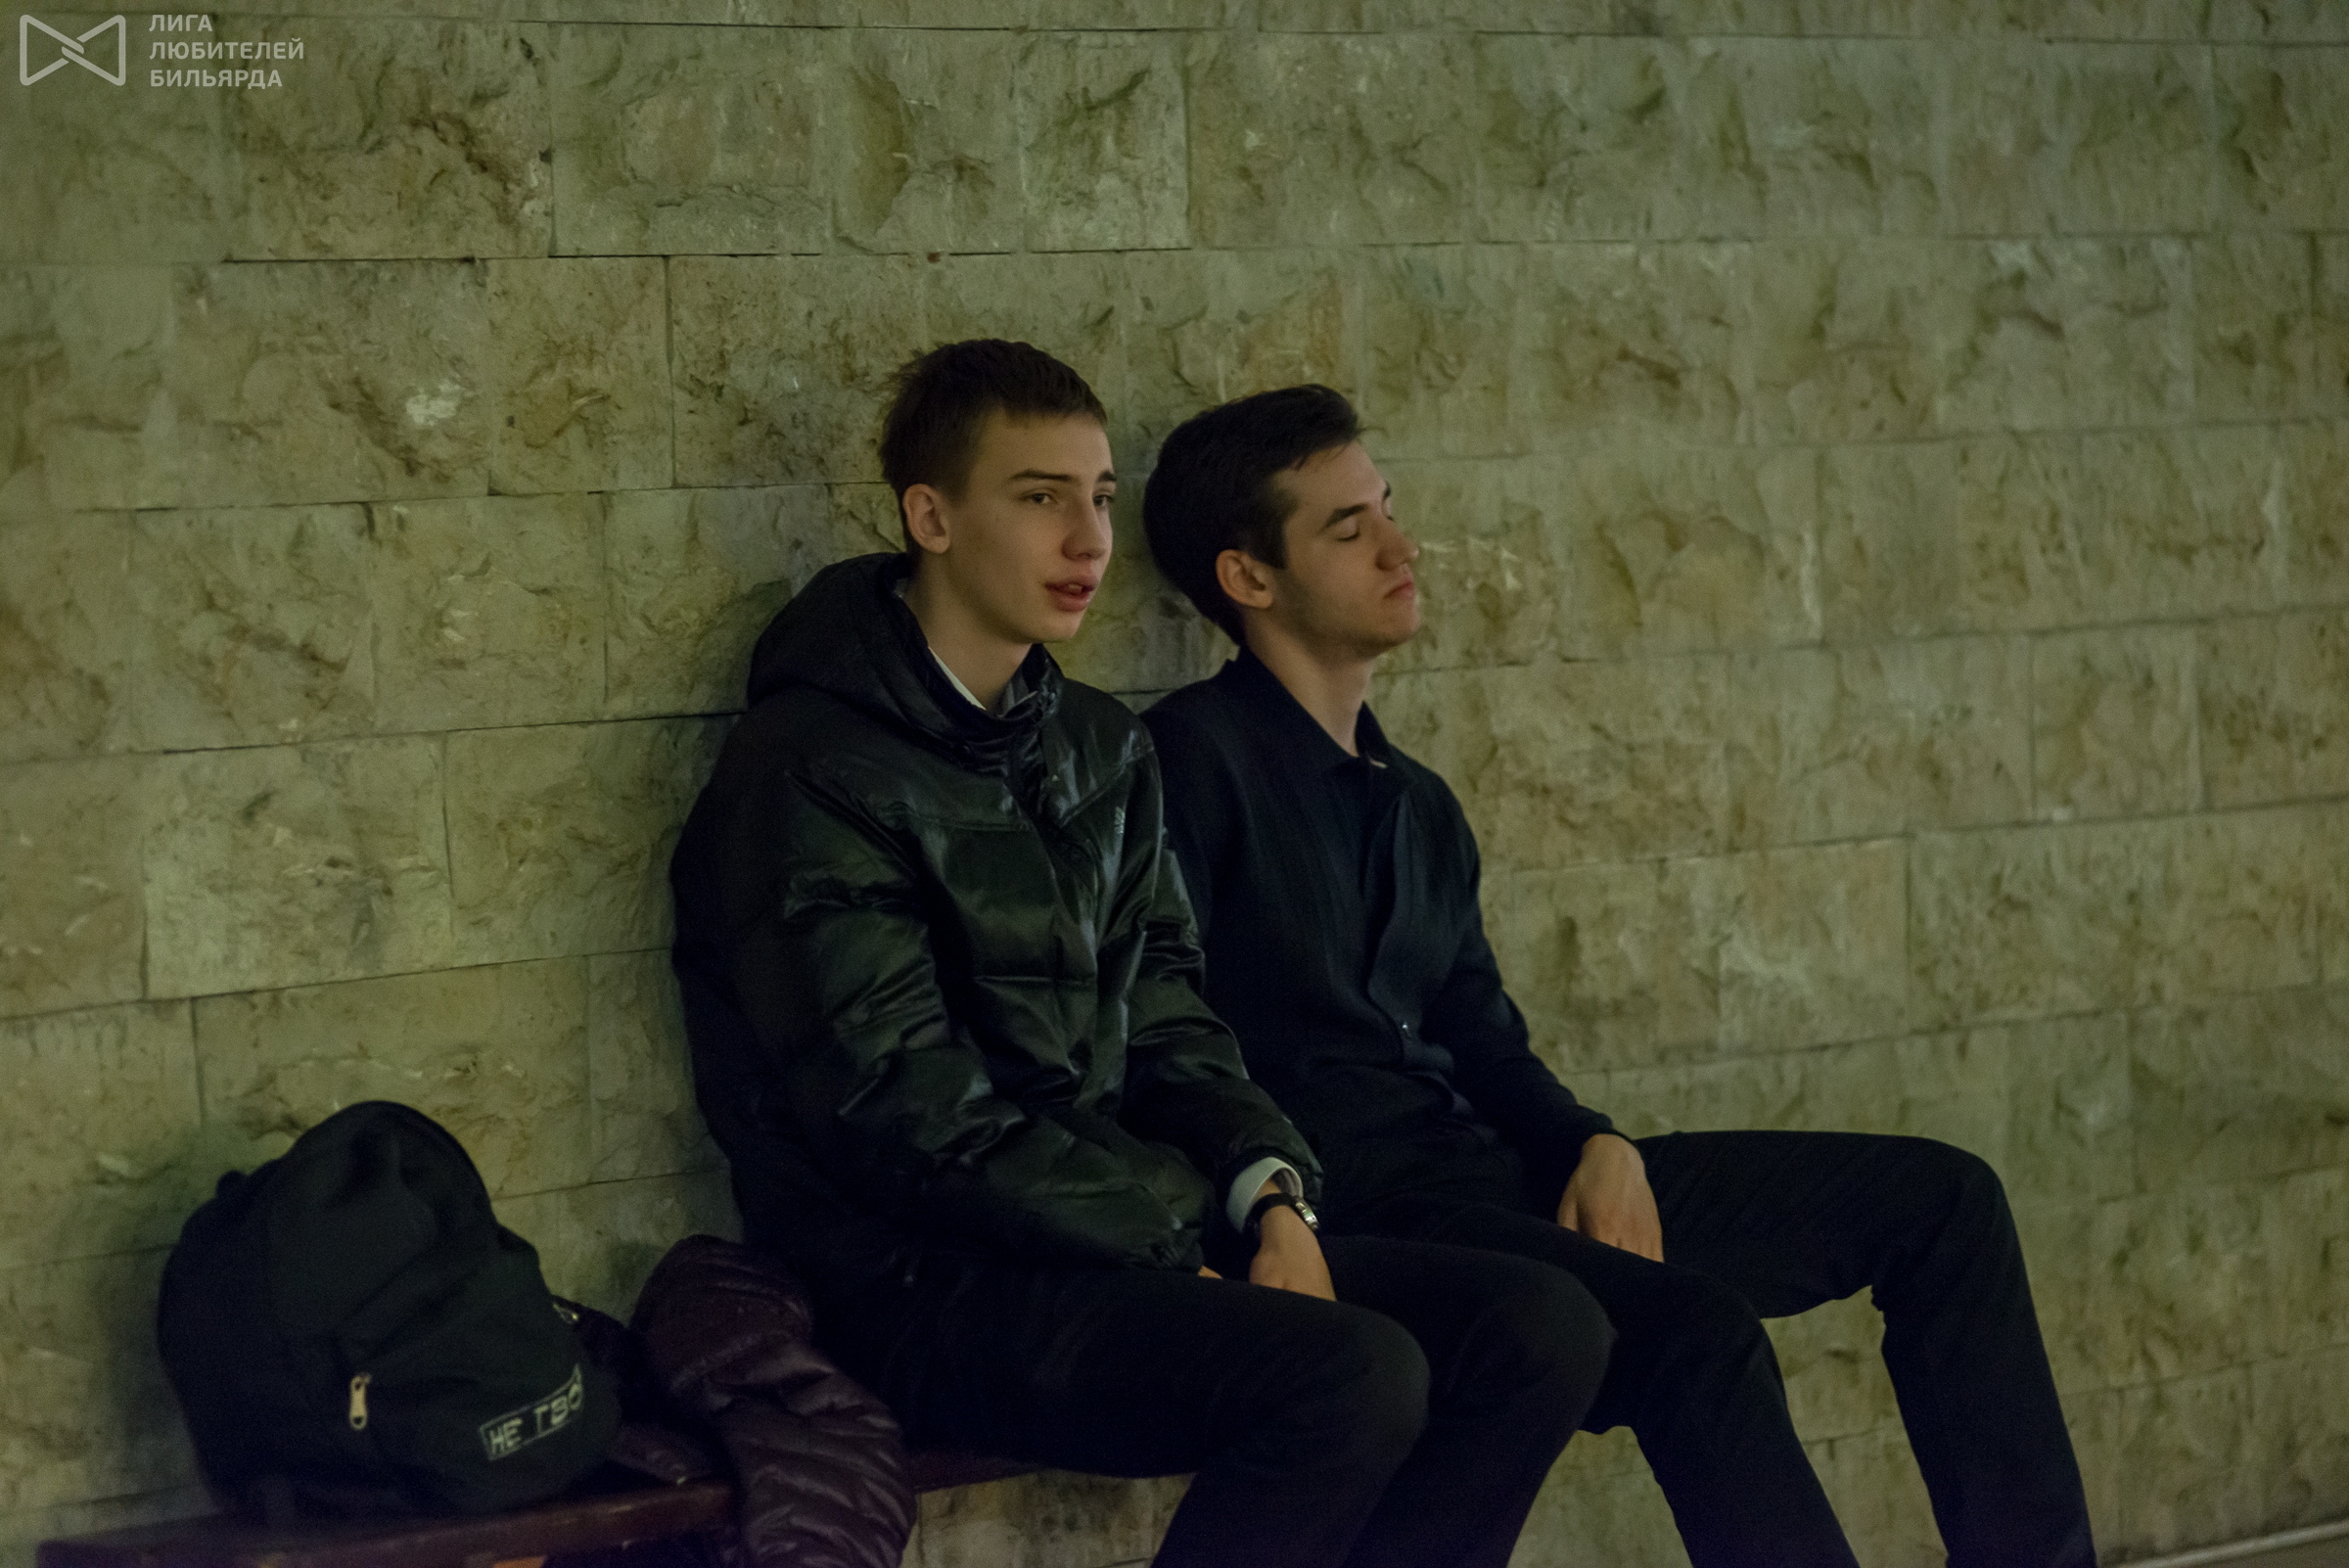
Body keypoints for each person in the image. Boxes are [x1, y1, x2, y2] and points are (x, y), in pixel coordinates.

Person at [668, 342, 1615, 1568]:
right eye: (1040, 497)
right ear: (931, 517)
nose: (1088, 541)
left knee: (1538, 1327)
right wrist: (1172, 1239)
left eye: (1102, 498)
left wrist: (1270, 1198)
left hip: (1109, 1237)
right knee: (1349, 1375)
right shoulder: (810, 770)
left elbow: (1171, 1018)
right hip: (914, 1280)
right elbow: (906, 1117)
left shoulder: (1096, 749)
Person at [1137, 384, 2098, 1568]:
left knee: (1944, 1203)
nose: (1401, 545)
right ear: (1248, 577)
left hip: (1496, 1180)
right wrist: (1268, 1209)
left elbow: (1483, 1036)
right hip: (1364, 1211)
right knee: (1699, 1328)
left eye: (1388, 508)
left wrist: (1591, 1140)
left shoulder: (1417, 802)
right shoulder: (1189, 761)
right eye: (1350, 527)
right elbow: (1164, 1029)